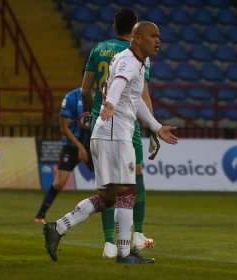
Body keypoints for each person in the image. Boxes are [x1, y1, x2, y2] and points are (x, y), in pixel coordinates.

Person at [43, 21, 178, 264]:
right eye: (153, 36)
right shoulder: (128, 61)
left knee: (108, 197)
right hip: (115, 134)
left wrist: (156, 127)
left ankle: (58, 227)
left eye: (159, 36)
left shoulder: (133, 60)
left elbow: (134, 100)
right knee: (128, 192)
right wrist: (112, 103)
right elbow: (119, 85)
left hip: (107, 133)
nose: (158, 40)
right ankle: (124, 254)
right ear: (136, 38)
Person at [82, 7, 159, 259]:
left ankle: (109, 243)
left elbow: (86, 89)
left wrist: (92, 112)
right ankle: (136, 235)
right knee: (133, 178)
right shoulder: (138, 54)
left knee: (106, 185)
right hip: (125, 124)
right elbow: (142, 94)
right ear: (136, 29)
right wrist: (153, 127)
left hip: (98, 119)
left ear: (115, 26)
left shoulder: (98, 48)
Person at [34, 81, 92, 223]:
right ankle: (40, 215)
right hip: (72, 147)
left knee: (108, 180)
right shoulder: (72, 98)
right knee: (60, 182)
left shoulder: (102, 98)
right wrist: (80, 147)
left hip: (92, 146)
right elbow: (64, 128)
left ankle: (119, 213)